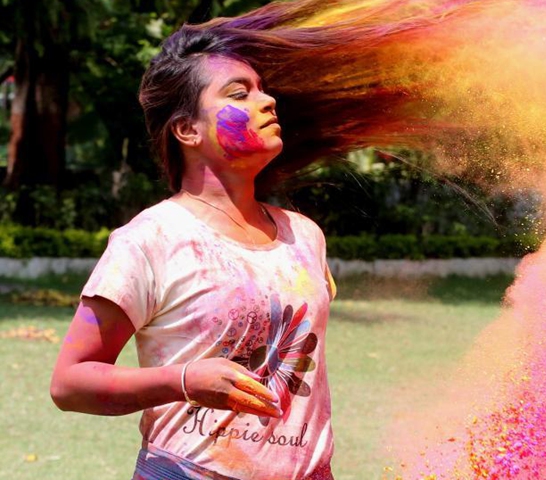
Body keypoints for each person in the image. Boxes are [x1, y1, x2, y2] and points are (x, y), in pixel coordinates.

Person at [50, 24, 337, 480]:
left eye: (263, 90)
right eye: (239, 94)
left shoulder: (305, 235)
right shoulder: (150, 240)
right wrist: (184, 381)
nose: (267, 101)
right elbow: (69, 383)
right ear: (187, 129)